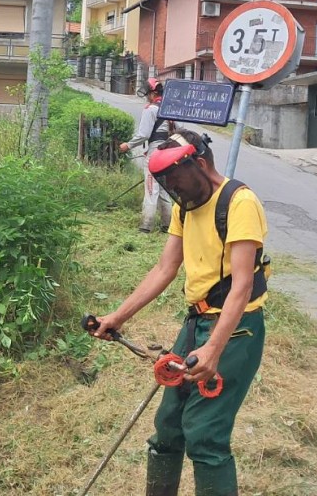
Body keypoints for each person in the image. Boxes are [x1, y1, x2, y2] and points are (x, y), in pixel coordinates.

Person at [92, 129, 269, 496]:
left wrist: (213, 350)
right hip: (196, 322)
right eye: (169, 184)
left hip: (235, 330)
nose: (176, 190)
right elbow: (164, 268)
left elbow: (242, 287)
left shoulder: (239, 203)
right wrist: (118, 316)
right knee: (169, 426)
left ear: (200, 165)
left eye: (179, 181)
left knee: (205, 434)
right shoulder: (186, 207)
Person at [119, 78, 174, 233]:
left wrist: (128, 145)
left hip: (155, 152)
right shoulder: (168, 108)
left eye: (148, 93)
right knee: (163, 189)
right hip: (167, 151)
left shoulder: (150, 109)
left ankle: (146, 225)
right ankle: (167, 224)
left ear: (153, 93)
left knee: (151, 187)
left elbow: (144, 134)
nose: (146, 97)